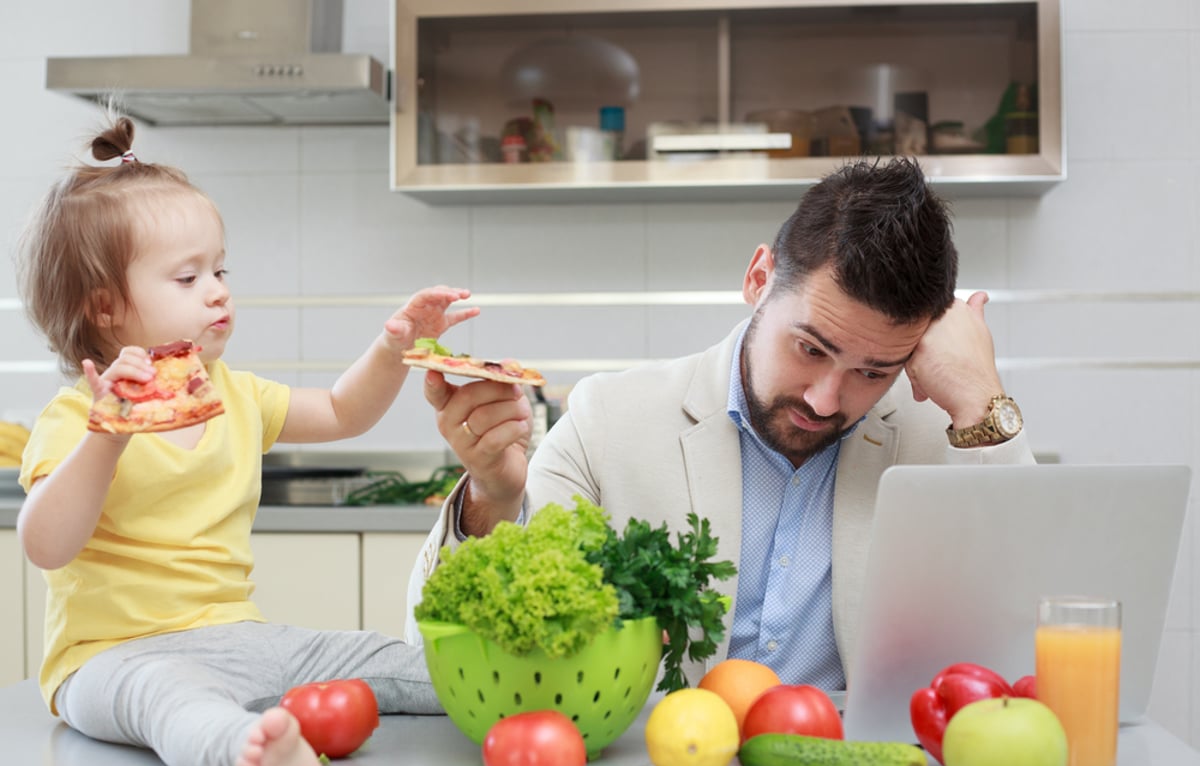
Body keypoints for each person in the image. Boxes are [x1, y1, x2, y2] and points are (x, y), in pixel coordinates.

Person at [405, 158, 1034, 690]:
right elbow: (446, 651)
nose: (824, 399)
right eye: (811, 349)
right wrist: (492, 498)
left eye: (874, 372)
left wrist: (983, 402)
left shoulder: (942, 441)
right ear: (758, 280)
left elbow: (1035, 645)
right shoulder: (608, 423)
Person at [15, 116, 478, 766]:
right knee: (171, 702)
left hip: (239, 637)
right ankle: (250, 755)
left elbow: (343, 412)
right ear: (107, 307)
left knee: (380, 656)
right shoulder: (77, 420)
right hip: (111, 662)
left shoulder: (234, 394)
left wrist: (393, 348)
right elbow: (47, 546)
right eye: (186, 277)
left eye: (219, 268)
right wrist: (107, 436)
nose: (218, 291)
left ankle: (513, 688)